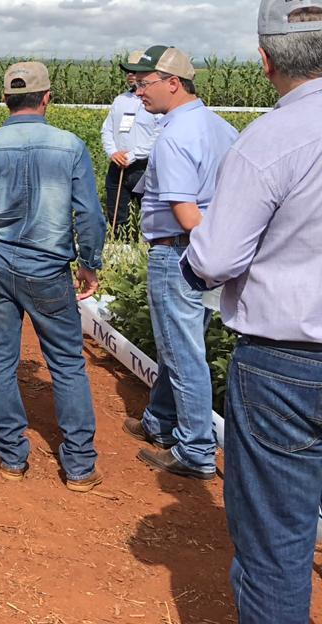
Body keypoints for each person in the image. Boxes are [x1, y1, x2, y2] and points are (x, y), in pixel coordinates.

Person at [183, 0, 322, 624]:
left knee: (276, 547)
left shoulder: (268, 141)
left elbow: (215, 259)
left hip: (287, 366)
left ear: (264, 59)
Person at [0, 62, 106, 490]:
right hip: (49, 269)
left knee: (0, 361)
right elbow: (89, 214)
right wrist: (89, 262)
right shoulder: (69, 146)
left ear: (4, 100)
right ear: (47, 97)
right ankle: (78, 465)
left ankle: (12, 456)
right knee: (68, 363)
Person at [121, 45, 237, 480]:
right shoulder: (222, 128)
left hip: (178, 250)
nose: (138, 93)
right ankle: (158, 420)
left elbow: (186, 212)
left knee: (183, 351)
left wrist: (201, 247)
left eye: (144, 83)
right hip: (207, 253)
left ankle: (195, 449)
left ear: (174, 83)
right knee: (181, 341)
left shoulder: (173, 136)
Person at [100, 51, 160, 237]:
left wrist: (132, 155)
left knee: (148, 216)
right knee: (117, 215)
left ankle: (144, 251)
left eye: (135, 71)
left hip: (143, 167)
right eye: (129, 71)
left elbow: (158, 135)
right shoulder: (120, 100)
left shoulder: (155, 103)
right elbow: (107, 130)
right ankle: (119, 248)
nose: (130, 75)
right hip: (118, 165)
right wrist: (113, 153)